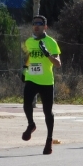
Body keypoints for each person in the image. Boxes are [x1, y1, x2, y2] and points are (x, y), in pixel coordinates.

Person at [22, 15, 61, 155]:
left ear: (45, 27)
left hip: (46, 81)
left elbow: (58, 64)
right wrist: (24, 69)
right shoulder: (28, 42)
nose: (36, 26)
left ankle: (49, 140)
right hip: (31, 78)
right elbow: (27, 57)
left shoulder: (51, 42)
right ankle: (31, 125)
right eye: (34, 24)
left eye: (39, 23)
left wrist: (47, 54)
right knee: (26, 104)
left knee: (47, 112)